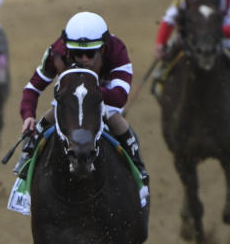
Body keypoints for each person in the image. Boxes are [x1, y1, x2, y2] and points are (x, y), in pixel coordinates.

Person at [14, 11, 149, 202]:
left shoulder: (117, 50)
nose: (83, 58)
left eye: (90, 53)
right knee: (46, 120)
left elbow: (119, 97)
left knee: (114, 116)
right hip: (70, 96)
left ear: (102, 49)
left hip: (102, 96)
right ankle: (25, 168)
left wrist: (89, 93)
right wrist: (28, 115)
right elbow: (32, 89)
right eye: (77, 54)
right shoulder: (56, 51)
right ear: (68, 49)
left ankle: (138, 168)